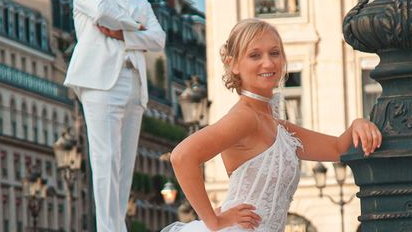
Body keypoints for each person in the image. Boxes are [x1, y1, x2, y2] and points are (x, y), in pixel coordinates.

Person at [163, 19, 382, 231]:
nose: (268, 63)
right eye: (255, 55)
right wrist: (214, 222)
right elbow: (182, 157)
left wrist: (358, 124)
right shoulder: (245, 118)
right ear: (234, 64)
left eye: (275, 53)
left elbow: (337, 149)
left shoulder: (279, 127)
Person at [64, 0, 166, 232]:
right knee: (104, 157)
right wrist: (138, 28)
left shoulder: (140, 1)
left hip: (134, 83)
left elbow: (158, 40)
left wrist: (123, 34)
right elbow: (101, 13)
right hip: (100, 81)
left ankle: (117, 226)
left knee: (124, 163)